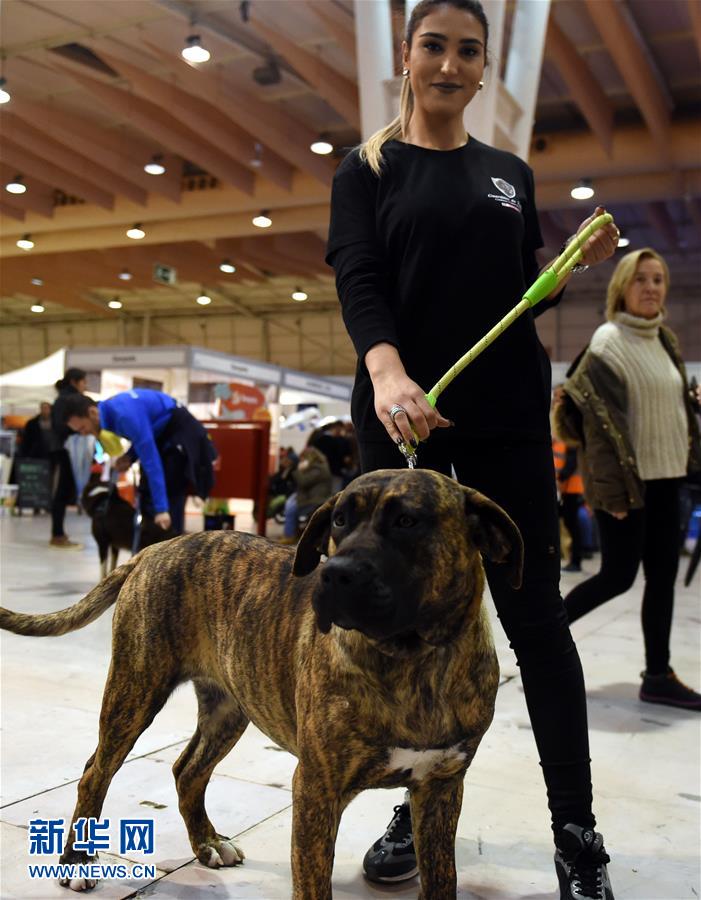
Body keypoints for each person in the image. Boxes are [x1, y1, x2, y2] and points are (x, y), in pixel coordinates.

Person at [325, 2, 619, 897]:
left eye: (468, 52)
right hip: (401, 415)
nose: (449, 64)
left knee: (534, 626)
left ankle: (576, 834)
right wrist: (385, 375)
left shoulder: (508, 174)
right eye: (433, 47)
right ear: (406, 60)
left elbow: (513, 302)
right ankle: (411, 802)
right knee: (402, 627)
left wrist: (562, 277)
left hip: (503, 420)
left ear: (484, 68)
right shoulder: (367, 169)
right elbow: (359, 275)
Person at [557, 248, 701, 711]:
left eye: (658, 279)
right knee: (617, 577)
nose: (651, 288)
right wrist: (612, 493)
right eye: (641, 279)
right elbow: (597, 431)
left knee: (661, 579)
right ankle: (540, 637)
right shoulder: (607, 341)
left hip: (668, 479)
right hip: (626, 485)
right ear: (622, 285)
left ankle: (657, 675)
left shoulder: (666, 341)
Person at [62, 389, 217, 535]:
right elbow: (145, 435)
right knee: (146, 492)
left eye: (82, 428)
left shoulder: (124, 415)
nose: (83, 434)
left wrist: (162, 509)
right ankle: (150, 550)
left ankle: (172, 548)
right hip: (162, 434)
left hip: (181, 432)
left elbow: (152, 461)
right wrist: (130, 456)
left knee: (170, 492)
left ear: (92, 412)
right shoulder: (110, 414)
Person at [49, 368, 87, 549]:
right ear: (74, 381)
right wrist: (77, 429)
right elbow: (59, 426)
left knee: (64, 492)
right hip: (64, 450)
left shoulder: (64, 398)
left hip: (66, 449)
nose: (85, 385)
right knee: (61, 493)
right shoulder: (66, 399)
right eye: (83, 381)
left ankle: (59, 533)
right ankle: (57, 535)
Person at [552, 387, 585, 573]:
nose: (556, 400)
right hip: (563, 485)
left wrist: (560, 478)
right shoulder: (559, 422)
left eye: (559, 396)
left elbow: (571, 458)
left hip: (570, 486)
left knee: (572, 524)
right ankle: (569, 558)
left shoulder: (569, 423)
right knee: (565, 524)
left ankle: (576, 561)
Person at [278, 442, 332, 545]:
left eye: (303, 458)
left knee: (291, 509)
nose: (302, 460)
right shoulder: (316, 467)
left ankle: (290, 535)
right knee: (290, 504)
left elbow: (303, 482)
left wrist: (296, 470)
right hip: (310, 496)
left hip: (315, 499)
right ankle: (291, 532)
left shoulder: (318, 469)